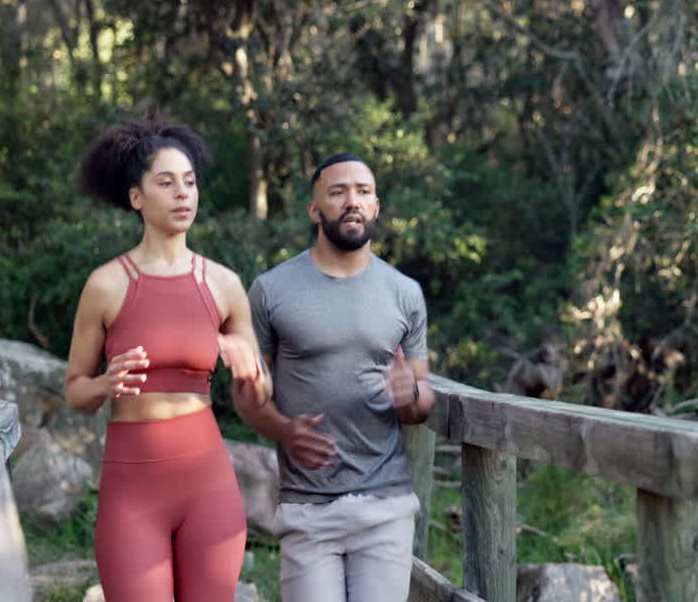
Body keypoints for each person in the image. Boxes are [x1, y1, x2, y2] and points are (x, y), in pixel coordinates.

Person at [63, 112, 272, 602]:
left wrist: (251, 372)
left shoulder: (223, 285)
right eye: (166, 182)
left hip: (209, 487)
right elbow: (74, 390)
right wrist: (104, 384)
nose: (183, 194)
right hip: (132, 492)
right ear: (136, 197)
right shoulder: (106, 285)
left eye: (190, 182)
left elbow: (261, 394)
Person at [242, 152, 435, 602]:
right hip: (307, 507)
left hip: (385, 504)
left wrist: (411, 397)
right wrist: (283, 430)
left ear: (375, 206)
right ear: (315, 209)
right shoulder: (271, 290)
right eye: (338, 192)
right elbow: (247, 396)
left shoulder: (405, 293)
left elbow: (422, 394)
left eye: (363, 192)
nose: (352, 201)